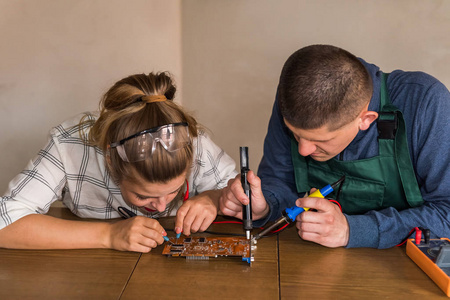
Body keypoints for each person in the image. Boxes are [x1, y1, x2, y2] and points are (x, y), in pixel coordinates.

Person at [220, 44, 450, 249]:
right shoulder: (295, 100)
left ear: (366, 119)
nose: (303, 151)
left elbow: (447, 213)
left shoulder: (426, 103)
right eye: (295, 135)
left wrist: (354, 229)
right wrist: (266, 205)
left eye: (321, 141)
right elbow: (280, 180)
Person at [0, 72, 237, 253]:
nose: (162, 207)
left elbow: (243, 195)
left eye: (174, 191)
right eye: (144, 196)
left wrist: (214, 198)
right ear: (110, 160)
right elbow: (5, 222)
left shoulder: (192, 142)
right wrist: (109, 235)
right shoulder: (70, 145)